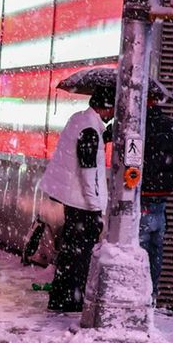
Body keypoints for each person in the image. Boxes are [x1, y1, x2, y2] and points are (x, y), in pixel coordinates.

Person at [42, 87, 114, 312]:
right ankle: (73, 300)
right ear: (105, 107)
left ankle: (61, 297)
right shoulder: (90, 130)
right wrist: (96, 208)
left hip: (72, 202)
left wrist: (105, 136)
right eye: (112, 108)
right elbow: (88, 172)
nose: (113, 113)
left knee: (69, 252)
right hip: (83, 204)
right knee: (80, 257)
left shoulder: (79, 120)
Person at [107, 88, 173, 298]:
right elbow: (171, 161)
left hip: (142, 195)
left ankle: (137, 295)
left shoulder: (137, 127)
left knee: (137, 249)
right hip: (162, 196)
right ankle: (151, 294)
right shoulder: (172, 126)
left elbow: (133, 161)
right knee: (155, 249)